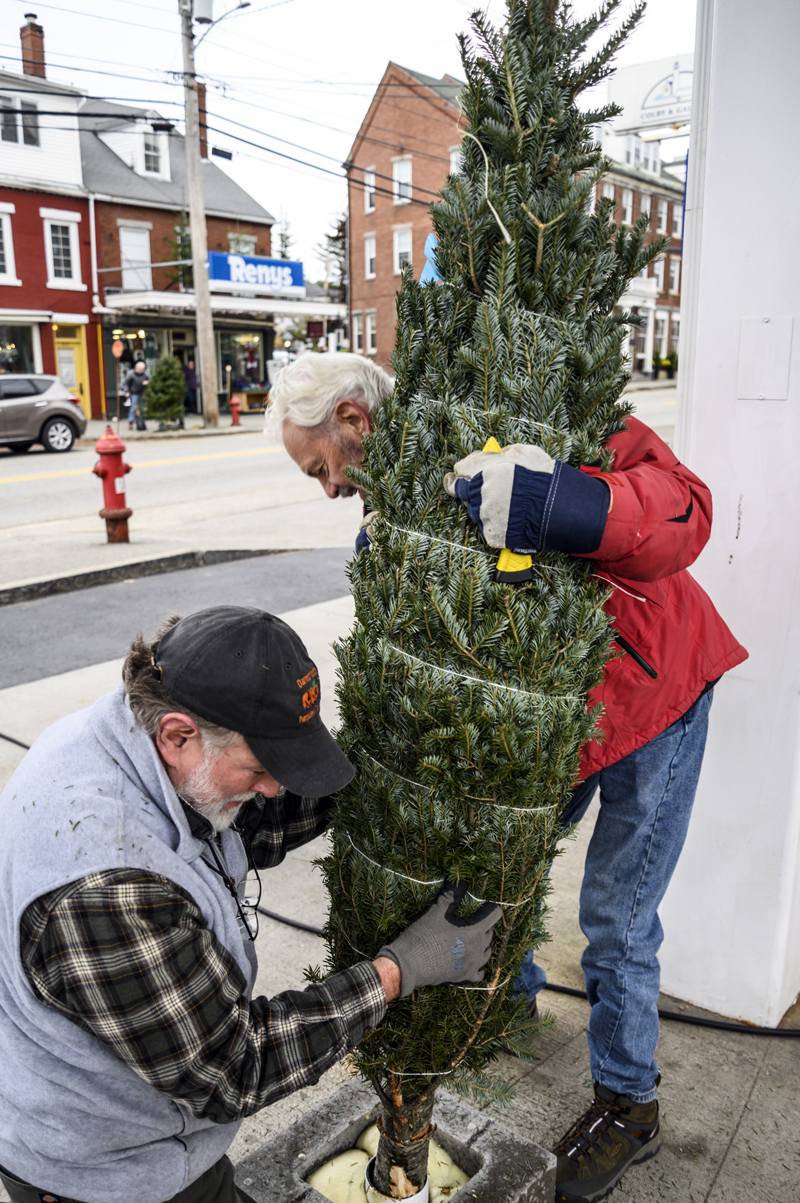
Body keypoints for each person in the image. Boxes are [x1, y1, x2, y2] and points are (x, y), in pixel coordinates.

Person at [267, 352, 749, 1203]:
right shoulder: (397, 513)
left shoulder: (522, 401)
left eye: (320, 469)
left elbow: (684, 507)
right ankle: (507, 1001)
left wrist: (561, 500)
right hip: (552, 728)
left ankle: (630, 1103)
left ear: (352, 420)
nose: (329, 488)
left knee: (617, 915)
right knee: (499, 866)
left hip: (653, 693)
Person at [0, 605, 500, 1203]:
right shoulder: (106, 891)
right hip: (105, 1173)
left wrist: (383, 784)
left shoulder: (142, 739)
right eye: (261, 768)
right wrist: (399, 971)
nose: (272, 788)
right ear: (178, 735)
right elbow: (231, 1066)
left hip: (156, 1137)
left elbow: (245, 827)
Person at [123, 359, 150, 429]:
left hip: (143, 393)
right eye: (141, 369)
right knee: (133, 408)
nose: (142, 370)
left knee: (142, 408)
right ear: (136, 368)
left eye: (143, 369)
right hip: (134, 393)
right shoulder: (131, 374)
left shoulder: (145, 374)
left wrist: (147, 382)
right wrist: (127, 391)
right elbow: (126, 383)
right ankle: (130, 422)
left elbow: (151, 380)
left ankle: (142, 422)